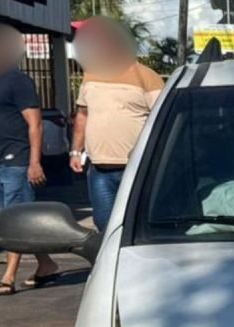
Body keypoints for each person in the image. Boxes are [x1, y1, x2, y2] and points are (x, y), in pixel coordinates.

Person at [70, 16, 163, 232]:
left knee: (138, 227)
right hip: (99, 170)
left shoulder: (146, 77)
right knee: (105, 226)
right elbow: (83, 115)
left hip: (137, 169)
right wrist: (76, 151)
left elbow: (160, 119)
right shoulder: (90, 75)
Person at [0, 22, 55, 296]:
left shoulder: (18, 81)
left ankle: (9, 276)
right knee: (17, 219)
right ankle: (46, 263)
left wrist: (35, 162)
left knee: (12, 221)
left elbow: (35, 124)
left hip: (17, 161)